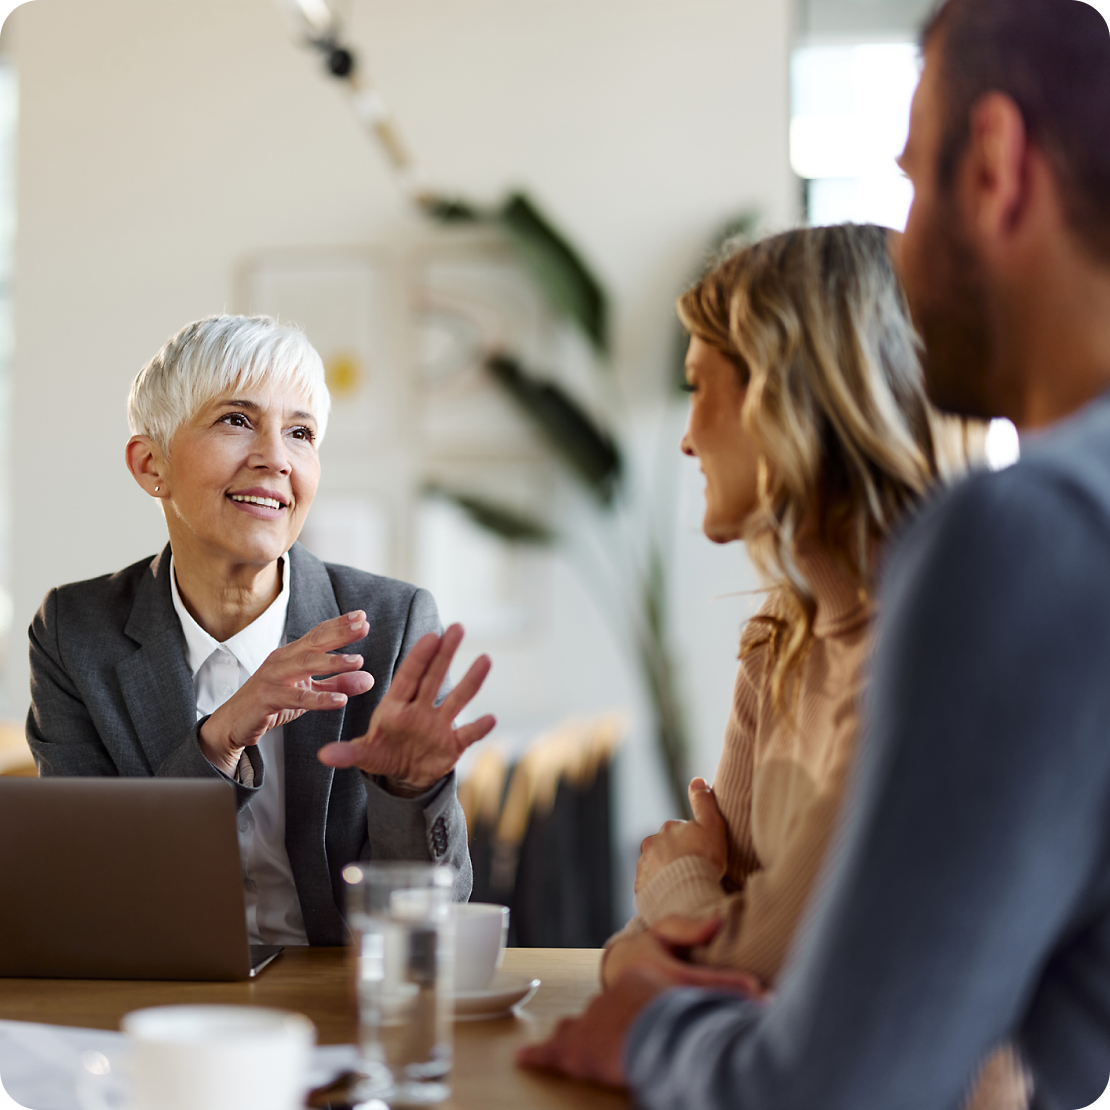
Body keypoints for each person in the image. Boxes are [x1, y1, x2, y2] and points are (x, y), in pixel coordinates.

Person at [518, 0, 1110, 1105]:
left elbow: (836, 1071)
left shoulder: (1021, 542)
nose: (903, 257)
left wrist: (652, 1022)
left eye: (912, 183)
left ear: (994, 165)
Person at [597, 224, 1021, 1108]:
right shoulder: (780, 640)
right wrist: (679, 927)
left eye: (698, 391)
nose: (686, 440)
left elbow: (753, 955)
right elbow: (710, 956)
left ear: (787, 402)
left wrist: (674, 886)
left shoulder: (934, 652)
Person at [27, 315, 496, 946]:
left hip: (335, 996)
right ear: (150, 465)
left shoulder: (390, 624)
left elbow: (423, 920)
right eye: (236, 420)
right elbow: (88, 888)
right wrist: (216, 742)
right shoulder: (74, 632)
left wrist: (412, 791)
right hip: (158, 996)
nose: (276, 458)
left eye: (300, 432)